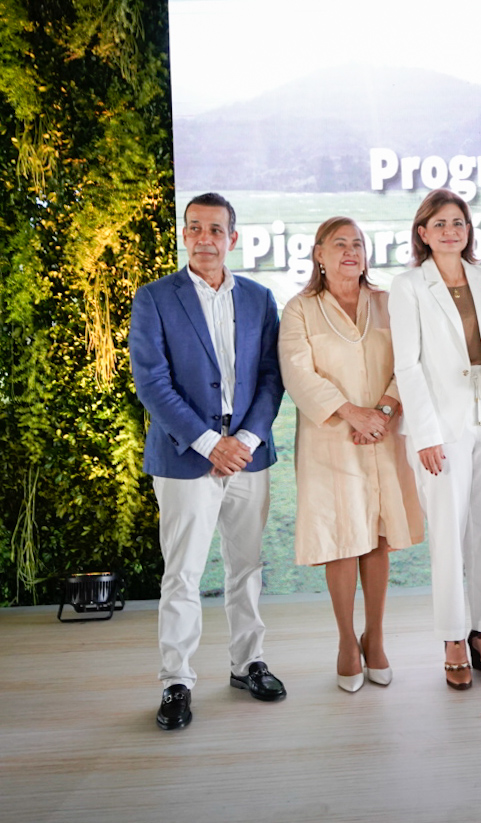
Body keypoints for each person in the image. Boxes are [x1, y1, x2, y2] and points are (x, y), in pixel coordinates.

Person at [130, 192, 286, 731]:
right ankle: (177, 680)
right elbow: (152, 383)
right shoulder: (154, 298)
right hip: (184, 458)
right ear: (184, 235)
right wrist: (207, 443)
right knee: (183, 573)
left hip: (248, 456)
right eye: (194, 228)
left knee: (247, 567)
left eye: (215, 229)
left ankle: (248, 664)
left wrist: (244, 439)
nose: (204, 238)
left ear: (232, 238)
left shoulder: (260, 298)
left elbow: (272, 377)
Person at [278, 216, 424, 693]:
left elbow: (410, 362)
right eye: (339, 243)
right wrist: (352, 414)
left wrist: (382, 411)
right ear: (318, 254)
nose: (350, 251)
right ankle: (346, 640)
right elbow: (298, 373)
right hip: (331, 438)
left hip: (384, 432)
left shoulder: (387, 303)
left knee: (378, 536)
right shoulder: (300, 309)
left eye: (357, 244)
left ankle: (374, 637)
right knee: (341, 538)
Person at [389, 190, 481, 690]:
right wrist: (424, 434)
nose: (451, 231)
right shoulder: (408, 286)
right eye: (440, 223)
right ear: (423, 233)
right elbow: (407, 366)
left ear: (469, 230)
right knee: (448, 533)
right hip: (441, 428)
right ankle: (452, 637)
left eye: (459, 223)